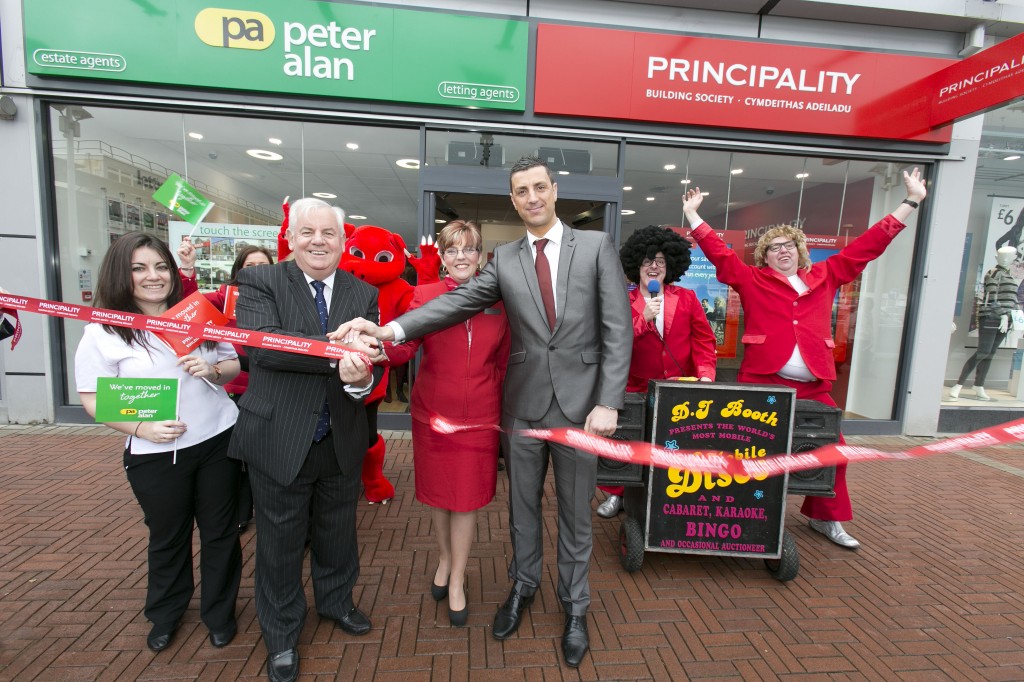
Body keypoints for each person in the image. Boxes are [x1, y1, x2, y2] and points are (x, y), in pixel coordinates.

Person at [334, 156, 632, 668]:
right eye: (521, 191)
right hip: (522, 408)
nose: (532, 197)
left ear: (554, 191)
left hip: (583, 409)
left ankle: (575, 607)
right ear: (513, 200)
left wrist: (608, 401)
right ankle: (523, 586)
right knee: (521, 511)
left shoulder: (596, 246)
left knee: (575, 514)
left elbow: (617, 329)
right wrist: (390, 331)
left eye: (540, 187)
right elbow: (457, 302)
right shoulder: (506, 259)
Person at [682, 167, 928, 551]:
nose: (783, 251)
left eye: (788, 245)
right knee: (748, 452)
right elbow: (720, 254)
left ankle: (825, 517)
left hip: (813, 387)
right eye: (774, 247)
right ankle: (736, 514)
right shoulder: (752, 279)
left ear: (800, 250)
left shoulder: (827, 275)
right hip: (763, 382)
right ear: (765, 255)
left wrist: (910, 202)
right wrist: (694, 216)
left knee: (836, 451)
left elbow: (868, 245)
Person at [228, 198, 383, 682]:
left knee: (338, 533)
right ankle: (281, 635)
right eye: (308, 232)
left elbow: (368, 363)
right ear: (290, 238)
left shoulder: (363, 293)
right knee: (278, 544)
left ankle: (337, 603)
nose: (319, 241)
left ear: (343, 242)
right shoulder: (260, 281)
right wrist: (341, 354)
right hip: (279, 437)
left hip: (340, 437)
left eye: (329, 233)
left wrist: (360, 374)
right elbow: (265, 347)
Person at [73, 232, 243, 653]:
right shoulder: (104, 331)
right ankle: (165, 613)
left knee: (220, 533)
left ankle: (219, 614)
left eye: (161, 266)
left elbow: (233, 362)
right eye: (140, 268)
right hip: (154, 454)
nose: (154, 276)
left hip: (218, 439)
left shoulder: (195, 312)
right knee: (168, 536)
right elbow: (93, 399)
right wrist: (141, 429)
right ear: (120, 274)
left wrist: (213, 369)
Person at [383, 220, 510, 626]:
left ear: (481, 257)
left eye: (469, 249)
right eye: (452, 249)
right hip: (433, 412)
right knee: (439, 495)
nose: (461, 257)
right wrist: (378, 350)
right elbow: (404, 350)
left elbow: (505, 363)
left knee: (468, 500)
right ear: (441, 256)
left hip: (481, 416)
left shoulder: (501, 303)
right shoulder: (425, 296)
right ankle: (443, 558)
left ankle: (458, 577)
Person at [596, 225, 718, 518]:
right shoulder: (622, 301)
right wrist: (643, 319)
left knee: (673, 444)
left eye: (661, 262)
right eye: (648, 261)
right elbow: (614, 343)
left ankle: (665, 494)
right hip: (634, 387)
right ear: (636, 266)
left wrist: (705, 375)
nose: (654, 267)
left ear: (670, 267)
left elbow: (704, 341)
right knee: (626, 445)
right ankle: (617, 494)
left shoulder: (687, 299)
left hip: (678, 387)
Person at [178, 242, 275, 532]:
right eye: (250, 266)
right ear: (239, 271)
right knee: (237, 457)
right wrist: (187, 270)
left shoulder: (284, 296)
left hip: (271, 389)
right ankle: (241, 512)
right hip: (235, 389)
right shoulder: (225, 296)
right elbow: (189, 306)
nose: (257, 271)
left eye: (263, 266)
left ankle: (271, 512)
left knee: (267, 458)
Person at [949, 246, 1020, 401]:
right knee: (983, 352)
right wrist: (1002, 315)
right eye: (1006, 256)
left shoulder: (1008, 275)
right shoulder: (993, 273)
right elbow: (991, 296)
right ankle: (958, 385)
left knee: (990, 354)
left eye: (1011, 256)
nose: (1010, 259)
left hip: (1004, 320)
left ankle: (979, 385)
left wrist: (1015, 315)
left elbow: (1012, 299)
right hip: (991, 317)